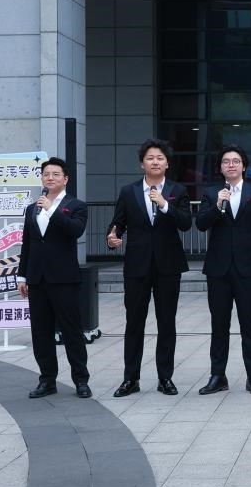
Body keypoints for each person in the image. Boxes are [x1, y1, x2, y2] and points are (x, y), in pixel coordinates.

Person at [106, 138, 192, 398]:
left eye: (160, 158)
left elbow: (186, 223)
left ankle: (165, 378)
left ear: (167, 163)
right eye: (150, 158)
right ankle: (130, 379)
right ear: (142, 164)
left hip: (168, 265)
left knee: (167, 323)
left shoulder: (178, 190)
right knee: (134, 322)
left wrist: (164, 204)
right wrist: (112, 237)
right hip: (137, 266)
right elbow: (117, 224)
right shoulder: (128, 191)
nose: (155, 162)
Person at [194, 145, 251, 395]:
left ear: (244, 166)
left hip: (247, 268)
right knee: (219, 325)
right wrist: (218, 204)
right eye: (226, 161)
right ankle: (218, 376)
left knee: (249, 324)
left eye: (236, 161)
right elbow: (201, 224)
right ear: (220, 168)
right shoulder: (211, 194)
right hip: (218, 269)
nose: (231, 165)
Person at [18, 158, 91, 399]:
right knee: (41, 332)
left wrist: (51, 209)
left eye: (55, 174)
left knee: (72, 331)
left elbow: (75, 230)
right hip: (37, 279)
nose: (50, 177)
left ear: (65, 179)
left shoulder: (76, 205)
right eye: (46, 174)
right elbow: (28, 243)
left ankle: (81, 380)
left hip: (64, 278)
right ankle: (47, 380)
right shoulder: (32, 208)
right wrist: (22, 275)